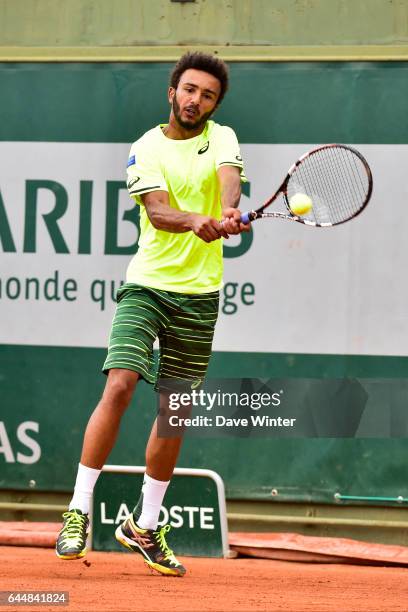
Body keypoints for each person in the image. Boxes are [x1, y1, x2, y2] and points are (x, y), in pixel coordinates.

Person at [55, 51, 248, 577]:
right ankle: (78, 511)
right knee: (119, 384)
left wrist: (228, 210)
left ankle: (145, 525)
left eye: (207, 94)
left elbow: (229, 179)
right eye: (189, 90)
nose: (196, 100)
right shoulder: (145, 147)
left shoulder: (224, 138)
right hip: (147, 286)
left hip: (201, 295)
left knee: (174, 410)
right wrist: (197, 221)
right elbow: (159, 212)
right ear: (172, 92)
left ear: (215, 103)